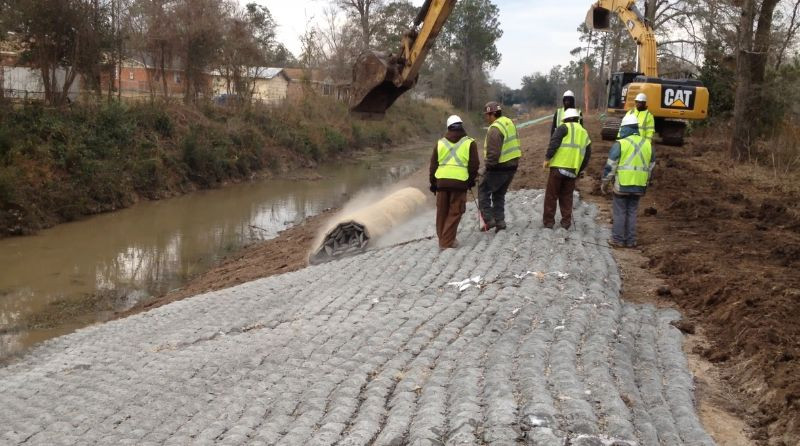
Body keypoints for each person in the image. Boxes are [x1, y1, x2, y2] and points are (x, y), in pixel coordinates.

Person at [602, 113, 655, 248]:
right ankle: (631, 241)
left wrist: (605, 183)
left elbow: (610, 166)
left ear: (624, 128)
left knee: (620, 212)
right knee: (632, 212)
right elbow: (651, 166)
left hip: (623, 184)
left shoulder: (620, 144)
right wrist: (646, 181)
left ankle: (618, 240)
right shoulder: (648, 145)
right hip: (639, 186)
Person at [429, 115, 479, 249]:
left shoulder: (440, 143)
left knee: (442, 213)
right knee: (455, 212)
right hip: (459, 183)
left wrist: (433, 183)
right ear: (461, 126)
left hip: (441, 183)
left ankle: (444, 238)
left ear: (448, 127)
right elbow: (474, 165)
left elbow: (433, 166)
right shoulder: (469, 142)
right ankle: (446, 242)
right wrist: (470, 181)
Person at [542, 108, 591, 229]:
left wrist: (547, 158)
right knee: (567, 197)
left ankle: (549, 222)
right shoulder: (584, 132)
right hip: (572, 171)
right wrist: (580, 170)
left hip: (558, 168)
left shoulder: (563, 128)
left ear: (565, 119)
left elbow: (554, 143)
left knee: (551, 196)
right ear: (577, 119)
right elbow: (587, 154)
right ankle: (566, 222)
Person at [478, 101, 521, 232]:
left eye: (487, 115)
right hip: (512, 165)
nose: (486, 118)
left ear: (492, 114)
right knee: (499, 193)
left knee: (483, 190)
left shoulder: (495, 129)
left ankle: (488, 219)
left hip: (500, 166)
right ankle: (500, 222)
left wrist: (486, 169)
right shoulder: (508, 122)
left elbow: (493, 154)